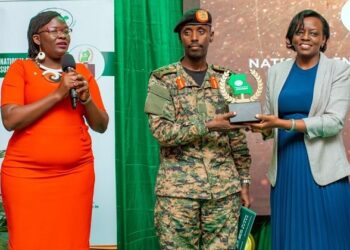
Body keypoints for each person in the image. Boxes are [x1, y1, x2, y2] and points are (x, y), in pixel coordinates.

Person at [144, 8, 252, 250]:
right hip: (178, 195)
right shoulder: (163, 79)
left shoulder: (227, 80)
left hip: (224, 194)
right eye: (187, 32)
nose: (194, 38)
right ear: (180, 37)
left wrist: (244, 181)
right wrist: (209, 124)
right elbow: (161, 132)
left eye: (201, 31)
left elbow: (237, 138)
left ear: (211, 36)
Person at [0, 11, 109, 250]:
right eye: (55, 31)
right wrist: (59, 93)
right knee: (28, 243)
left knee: (72, 243)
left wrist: (87, 99)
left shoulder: (80, 71)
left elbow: (101, 125)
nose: (62, 36)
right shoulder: (21, 69)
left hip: (75, 176)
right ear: (37, 38)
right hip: (25, 177)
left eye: (66, 31)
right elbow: (10, 119)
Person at [250, 9, 350, 250]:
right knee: (291, 239)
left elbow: (334, 122)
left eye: (314, 33)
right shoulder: (276, 72)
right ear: (291, 38)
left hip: (324, 169)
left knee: (329, 238)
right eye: (300, 32)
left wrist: (285, 124)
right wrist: (258, 125)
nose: (306, 37)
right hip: (286, 168)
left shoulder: (339, 70)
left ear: (324, 39)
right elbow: (270, 119)